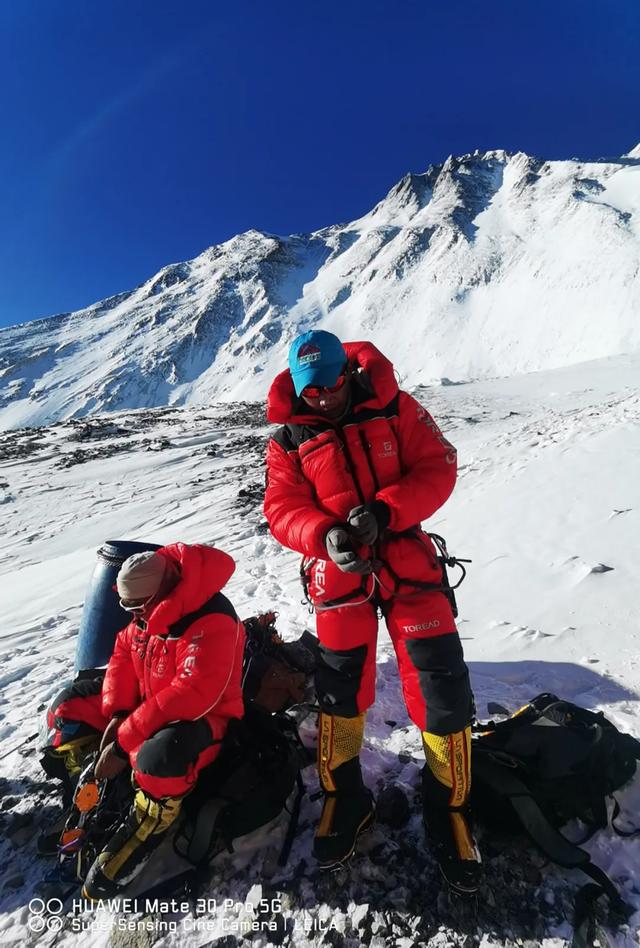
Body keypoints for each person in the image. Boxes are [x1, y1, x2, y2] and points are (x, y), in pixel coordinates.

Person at [263, 330, 480, 894]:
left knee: (441, 685)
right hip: (341, 579)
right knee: (339, 691)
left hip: (407, 561)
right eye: (312, 391)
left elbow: (438, 465)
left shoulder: (395, 406)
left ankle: (448, 806)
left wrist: (388, 510)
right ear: (297, 388)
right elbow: (281, 508)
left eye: (332, 384)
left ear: (348, 373)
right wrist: (323, 533)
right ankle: (345, 798)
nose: (324, 398)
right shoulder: (288, 439)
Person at [41, 542, 245, 900]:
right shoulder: (147, 612)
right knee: (67, 709)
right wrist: (118, 710)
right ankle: (88, 800)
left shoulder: (212, 618)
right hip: (145, 706)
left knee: (158, 758)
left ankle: (150, 822)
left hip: (203, 720)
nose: (130, 613)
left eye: (134, 606)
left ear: (158, 592)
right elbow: (122, 651)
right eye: (126, 605)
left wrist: (122, 741)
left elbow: (191, 694)